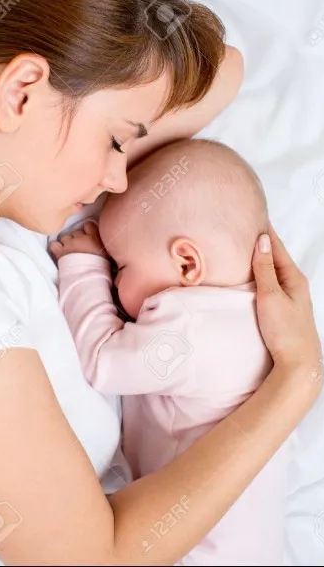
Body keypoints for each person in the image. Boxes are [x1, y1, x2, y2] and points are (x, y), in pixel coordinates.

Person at [0, 0, 323, 566]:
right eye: (119, 142)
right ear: (20, 93)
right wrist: (295, 381)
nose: (119, 180)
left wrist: (113, 18)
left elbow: (223, 70)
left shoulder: (15, 209)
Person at [52, 138, 292, 566]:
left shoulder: (190, 324)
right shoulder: (255, 317)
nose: (112, 277)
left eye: (120, 266)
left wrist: (83, 266)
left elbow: (103, 361)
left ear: (187, 264)